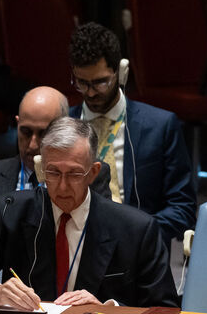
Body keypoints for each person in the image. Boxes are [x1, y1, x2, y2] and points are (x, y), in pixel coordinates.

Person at [0, 117, 179, 309]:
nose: (62, 187)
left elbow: (165, 309)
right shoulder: (8, 211)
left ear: (93, 172)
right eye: (53, 172)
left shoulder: (137, 230)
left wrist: (108, 310)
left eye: (74, 174)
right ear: (41, 169)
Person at [68, 22, 196, 242]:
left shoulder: (161, 126)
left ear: (121, 71)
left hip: (139, 251)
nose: (89, 93)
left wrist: (138, 233)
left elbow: (183, 207)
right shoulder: (63, 124)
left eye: (100, 82)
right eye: (81, 83)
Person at [0, 86, 110, 205]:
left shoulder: (89, 174)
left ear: (64, 130)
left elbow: (101, 225)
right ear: (17, 124)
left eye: (43, 133)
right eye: (26, 132)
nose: (33, 145)